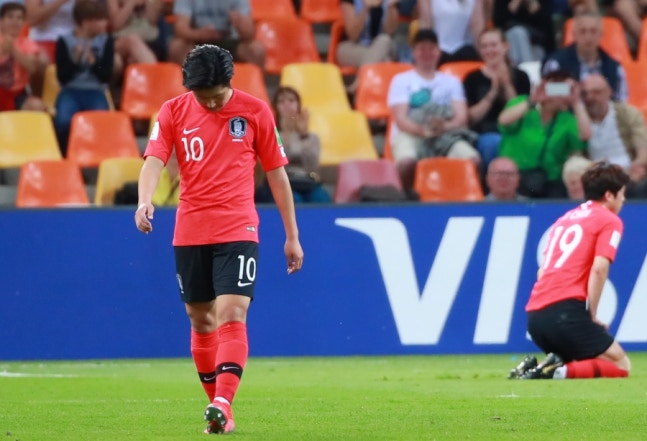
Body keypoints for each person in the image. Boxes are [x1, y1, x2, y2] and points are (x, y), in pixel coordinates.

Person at [134, 44, 304, 434]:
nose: (210, 104)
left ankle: (223, 402)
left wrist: (292, 235)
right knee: (200, 318)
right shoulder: (172, 111)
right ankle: (219, 409)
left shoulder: (256, 111)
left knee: (232, 312)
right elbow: (154, 160)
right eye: (202, 97)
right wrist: (144, 200)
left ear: (230, 82)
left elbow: (277, 174)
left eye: (216, 96)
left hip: (238, 227)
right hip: (190, 228)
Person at [509, 161, 632, 380]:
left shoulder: (563, 220)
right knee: (621, 365)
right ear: (609, 195)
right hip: (566, 313)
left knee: (581, 360)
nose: (624, 199)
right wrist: (591, 314)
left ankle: (536, 367)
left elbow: (542, 272)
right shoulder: (609, 220)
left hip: (536, 316)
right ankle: (555, 371)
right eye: (622, 194)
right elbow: (599, 269)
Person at [387, 28, 481, 191]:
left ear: (439, 52)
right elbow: (401, 119)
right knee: (406, 162)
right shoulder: (401, 80)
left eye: (431, 48)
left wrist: (444, 126)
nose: (427, 53)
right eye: (422, 49)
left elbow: (461, 117)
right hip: (411, 134)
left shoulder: (452, 81)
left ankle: (463, 198)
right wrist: (423, 131)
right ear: (414, 52)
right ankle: (401, 198)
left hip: (445, 135)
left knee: (473, 160)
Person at [497, 70, 591, 198]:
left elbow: (585, 136)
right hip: (518, 174)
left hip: (550, 179)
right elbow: (504, 121)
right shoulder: (522, 103)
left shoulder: (566, 119)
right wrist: (533, 100)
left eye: (563, 90)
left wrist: (576, 102)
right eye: (554, 89)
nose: (557, 95)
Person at [463, 28, 531, 168]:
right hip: (484, 132)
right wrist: (493, 92)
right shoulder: (471, 78)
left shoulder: (521, 76)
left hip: (515, 130)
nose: (489, 50)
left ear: (505, 46)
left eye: (493, 45)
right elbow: (470, 118)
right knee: (494, 143)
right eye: (484, 46)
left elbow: (523, 113)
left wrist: (506, 84)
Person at [53, 0, 113, 156]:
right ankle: (65, 156)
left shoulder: (106, 41)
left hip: (95, 90)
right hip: (70, 90)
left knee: (102, 121)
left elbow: (106, 76)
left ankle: (97, 156)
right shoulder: (64, 41)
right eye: (100, 19)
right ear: (87, 22)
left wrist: (93, 63)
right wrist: (75, 61)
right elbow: (62, 77)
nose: (105, 23)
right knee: (63, 121)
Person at [256, 86, 331, 204]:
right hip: (282, 183)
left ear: (298, 105)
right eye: (281, 101)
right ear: (276, 107)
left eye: (291, 100)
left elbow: (312, 165)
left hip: (307, 182)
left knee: (321, 197)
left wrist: (303, 135)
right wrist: (286, 135)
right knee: (293, 199)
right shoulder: (271, 135)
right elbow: (277, 165)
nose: (287, 104)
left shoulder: (311, 137)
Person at [581, 73, 647, 198]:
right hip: (593, 171)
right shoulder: (577, 117)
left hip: (627, 169)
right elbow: (575, 153)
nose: (590, 97)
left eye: (596, 92)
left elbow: (643, 148)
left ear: (608, 92)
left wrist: (639, 164)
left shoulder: (627, 113)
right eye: (585, 93)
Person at [542, 11, 628, 102]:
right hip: (568, 109)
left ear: (601, 34)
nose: (588, 37)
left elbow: (621, 101)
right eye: (583, 31)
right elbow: (546, 91)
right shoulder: (557, 63)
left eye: (593, 31)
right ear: (574, 34)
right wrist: (571, 89)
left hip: (602, 110)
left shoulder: (614, 67)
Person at [168, 0, 265, 69]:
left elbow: (249, 34)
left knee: (256, 50)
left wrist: (240, 23)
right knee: (177, 47)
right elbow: (180, 29)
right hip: (197, 40)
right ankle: (184, 89)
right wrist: (200, 34)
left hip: (229, 40)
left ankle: (252, 88)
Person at [0, 1, 47, 111]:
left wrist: (13, 51)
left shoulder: (28, 44)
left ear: (23, 23)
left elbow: (32, 67)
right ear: (1, 21)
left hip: (18, 94)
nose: (15, 22)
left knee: (38, 106)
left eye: (19, 18)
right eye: (10, 17)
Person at [416, 0, 485, 65]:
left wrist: (483, 55)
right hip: (438, 49)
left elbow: (477, 25)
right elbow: (426, 24)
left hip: (464, 49)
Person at [337, 0, 400, 70]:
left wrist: (391, 7)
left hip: (382, 46)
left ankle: (363, 76)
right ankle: (371, 70)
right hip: (354, 47)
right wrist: (365, 8)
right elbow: (353, 36)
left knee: (384, 40)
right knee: (385, 59)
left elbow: (389, 31)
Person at [492, 0, 556, 66]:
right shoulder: (502, 2)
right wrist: (515, 3)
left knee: (538, 52)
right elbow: (498, 24)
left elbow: (546, 29)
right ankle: (526, 68)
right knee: (518, 33)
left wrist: (535, 9)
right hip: (511, 42)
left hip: (535, 43)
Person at [106, 0, 160, 74]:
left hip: (149, 40)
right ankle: (157, 76)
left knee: (133, 60)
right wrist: (131, 3)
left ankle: (155, 77)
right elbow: (116, 24)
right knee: (133, 41)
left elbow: (152, 20)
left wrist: (150, 3)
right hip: (121, 40)